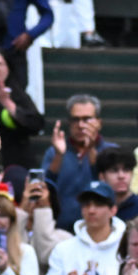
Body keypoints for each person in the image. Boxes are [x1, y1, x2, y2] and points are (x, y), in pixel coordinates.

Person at [42, 94, 117, 231]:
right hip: (61, 231)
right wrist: (59, 155)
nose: (81, 125)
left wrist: (92, 150)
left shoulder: (111, 151)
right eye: (75, 119)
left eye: (87, 119)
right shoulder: (54, 152)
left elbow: (112, 190)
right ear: (69, 122)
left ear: (99, 122)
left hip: (100, 230)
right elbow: (45, 188)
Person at [0, 49, 43, 169]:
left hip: (17, 163)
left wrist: (7, 103)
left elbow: (37, 124)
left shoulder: (18, 94)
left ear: (7, 67)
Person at [95, 148, 138, 223]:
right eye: (114, 170)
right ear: (102, 176)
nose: (121, 176)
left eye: (126, 170)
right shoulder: (93, 209)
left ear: (132, 174)